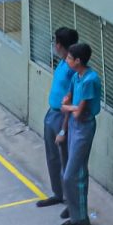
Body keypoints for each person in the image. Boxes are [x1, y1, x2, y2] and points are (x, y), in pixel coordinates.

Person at [54, 41, 101, 225]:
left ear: (79, 61)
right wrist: (64, 129)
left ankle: (82, 220)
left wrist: (66, 107)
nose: (67, 60)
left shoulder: (90, 79)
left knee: (73, 175)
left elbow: (78, 112)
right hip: (74, 128)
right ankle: (75, 216)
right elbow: (69, 98)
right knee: (70, 173)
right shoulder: (76, 76)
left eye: (70, 58)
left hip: (84, 128)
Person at [35, 26, 78, 214]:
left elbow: (73, 98)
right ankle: (58, 193)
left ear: (60, 45)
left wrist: (64, 127)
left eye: (55, 42)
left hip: (62, 117)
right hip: (52, 113)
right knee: (53, 156)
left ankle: (71, 200)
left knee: (65, 158)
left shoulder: (72, 68)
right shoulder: (62, 62)